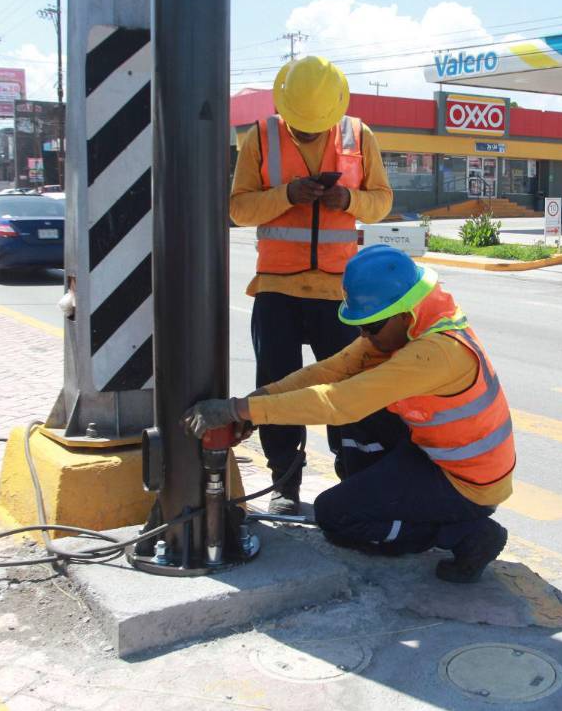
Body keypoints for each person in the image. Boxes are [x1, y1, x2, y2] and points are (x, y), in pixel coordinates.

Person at [183, 246, 515, 584]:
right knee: (359, 403)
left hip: (467, 484)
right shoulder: (412, 325)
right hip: (434, 456)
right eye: (361, 327)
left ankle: (465, 533)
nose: (365, 336)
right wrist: (256, 402)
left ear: (405, 314)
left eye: (371, 325)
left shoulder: (437, 352)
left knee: (336, 518)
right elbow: (330, 371)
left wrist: (238, 410)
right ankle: (376, 497)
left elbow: (339, 403)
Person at [229, 56, 393, 516]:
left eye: (313, 129)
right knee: (278, 391)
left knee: (347, 391)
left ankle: (355, 482)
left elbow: (381, 201)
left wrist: (348, 199)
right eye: (299, 129)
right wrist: (287, 195)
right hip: (277, 289)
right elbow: (239, 209)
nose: (304, 135)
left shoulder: (359, 135)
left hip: (340, 294)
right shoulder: (260, 137)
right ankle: (284, 484)